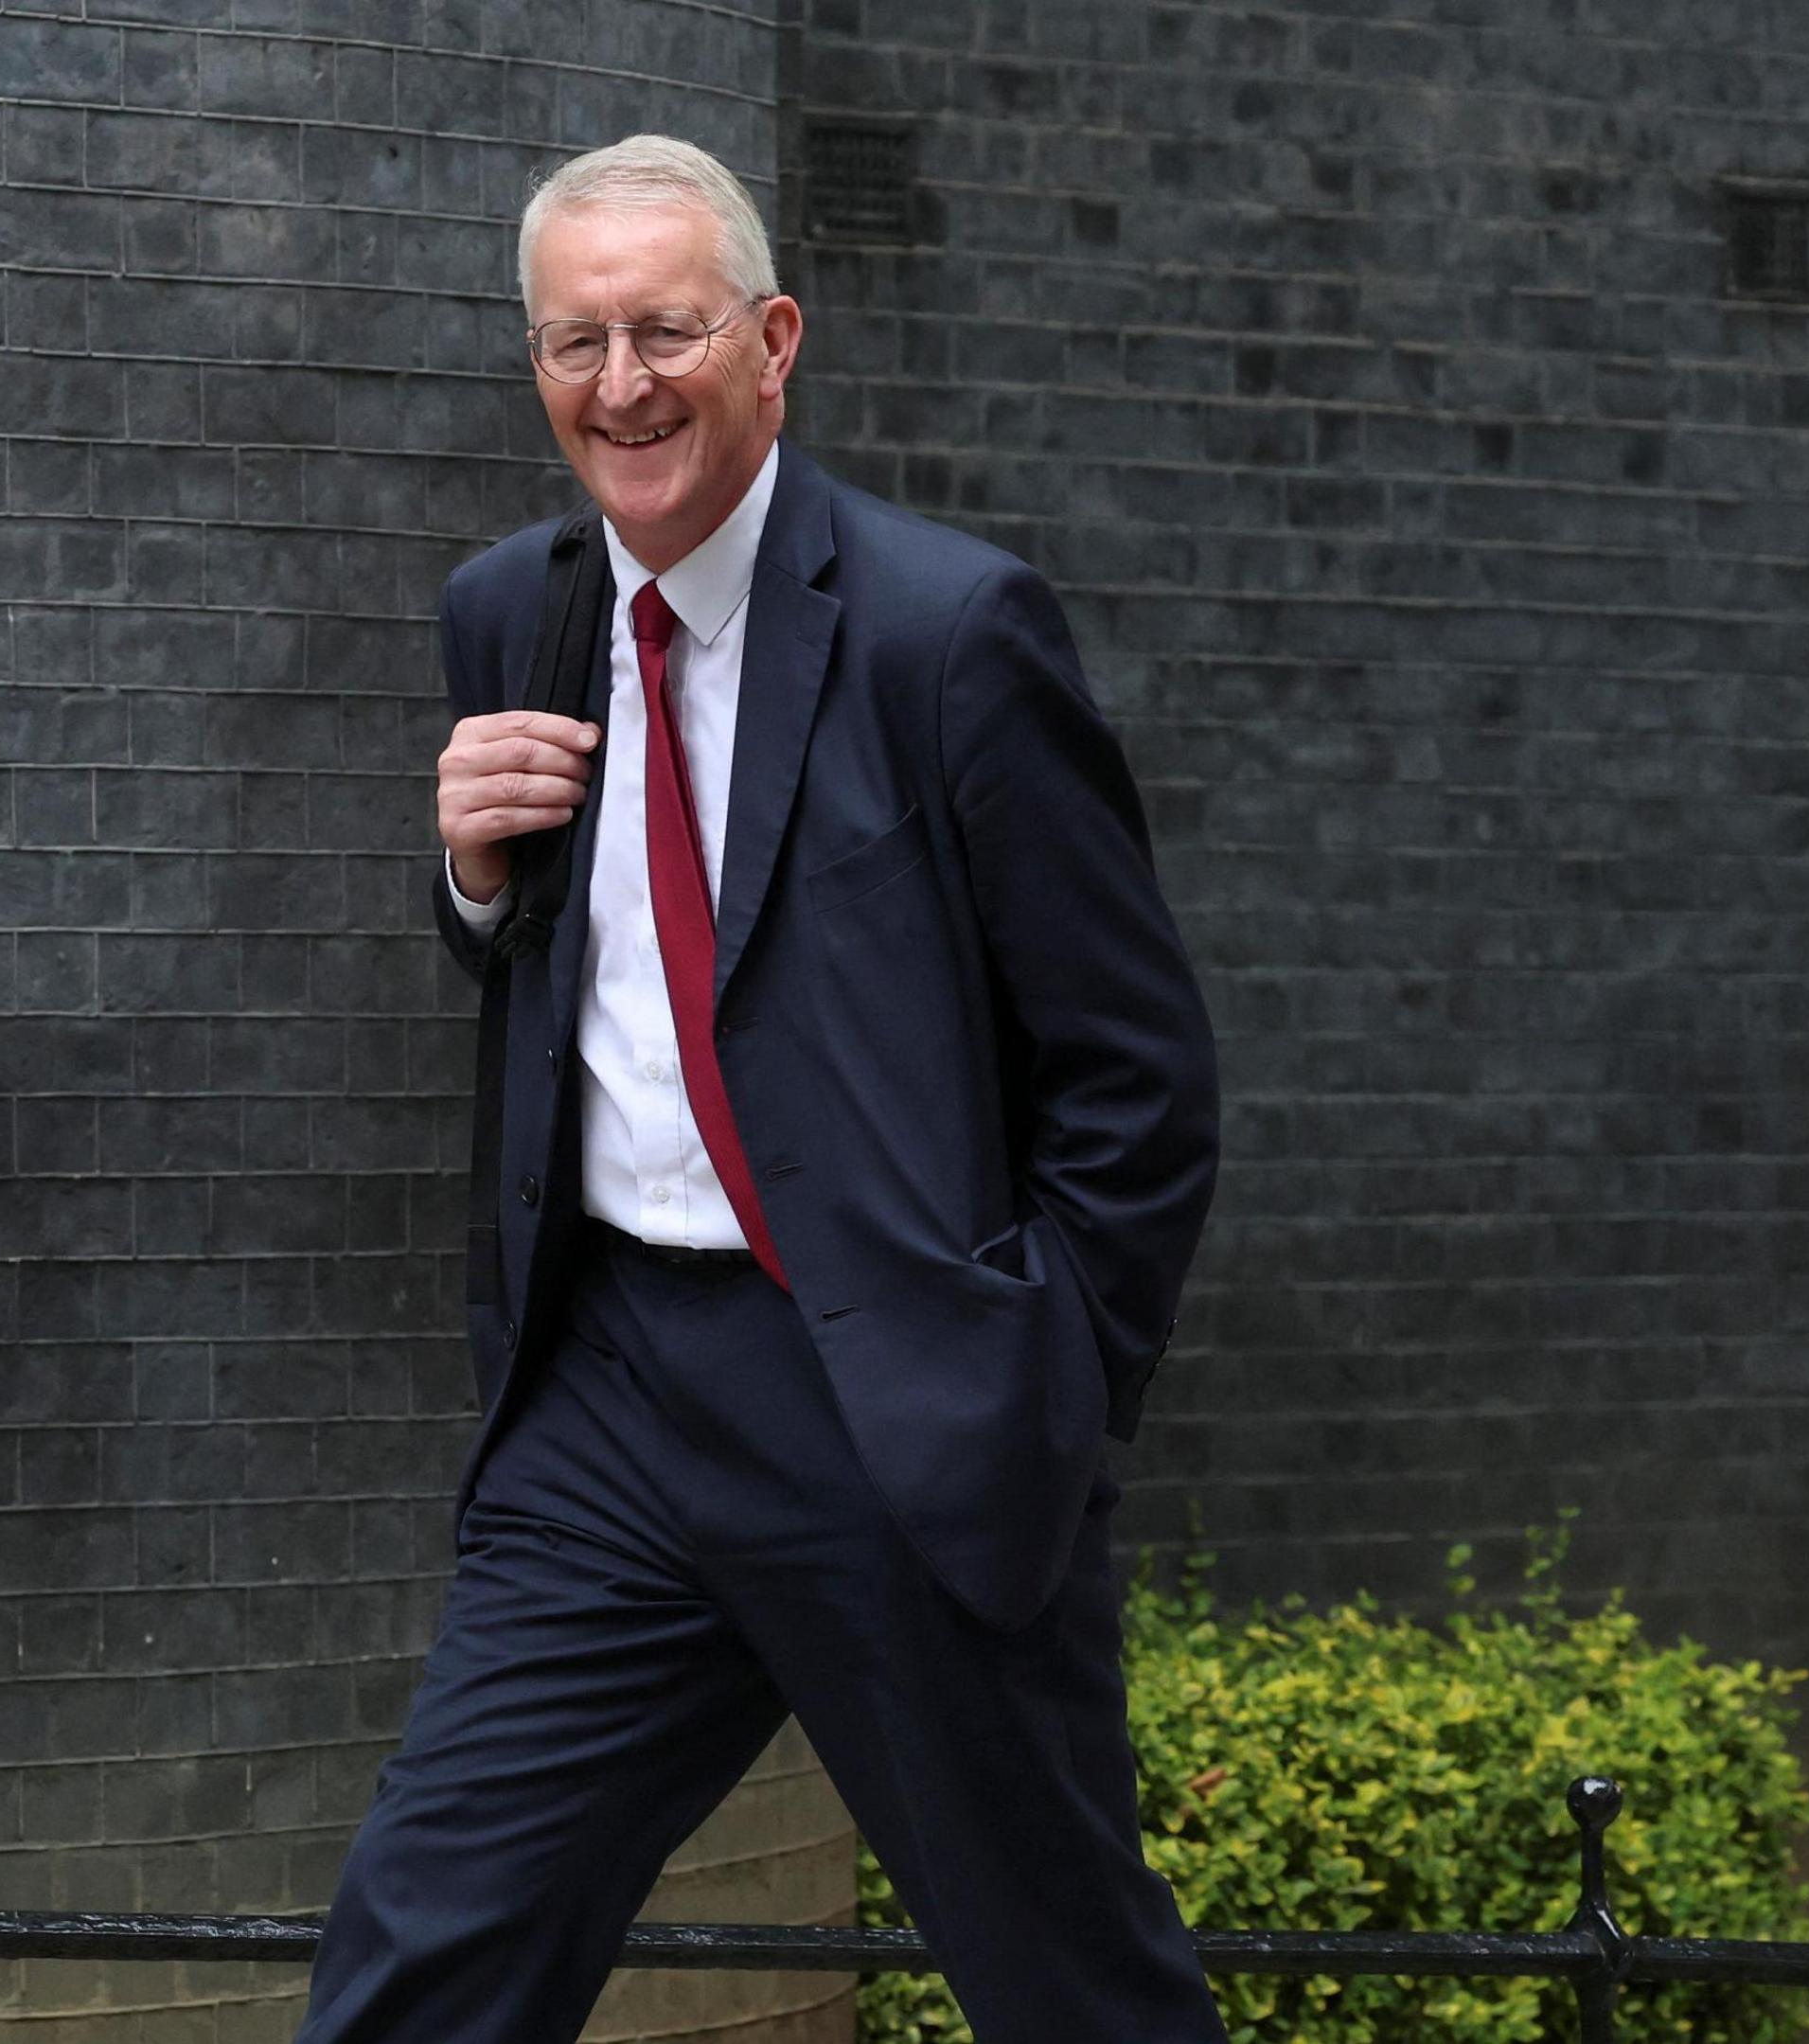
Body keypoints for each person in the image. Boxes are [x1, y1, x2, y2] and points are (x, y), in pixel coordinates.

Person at [289, 133, 1226, 2043]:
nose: (620, 385)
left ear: (771, 340)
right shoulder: (510, 613)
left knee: (1069, 1986)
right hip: (610, 1404)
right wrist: (469, 882)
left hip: (892, 1402)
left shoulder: (943, 635)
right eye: (575, 341)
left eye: (666, 330)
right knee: (425, 1952)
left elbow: (1137, 1078)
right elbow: (577, 972)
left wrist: (1033, 1385)